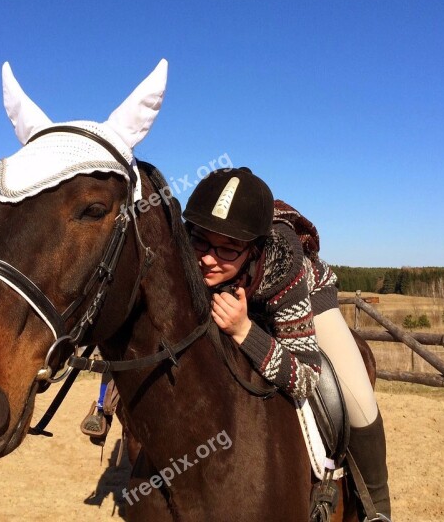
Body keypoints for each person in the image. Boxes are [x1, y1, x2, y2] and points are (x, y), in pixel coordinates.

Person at [81, 166, 391, 520]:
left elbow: (304, 377)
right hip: (234, 296)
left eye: (228, 249)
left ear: (254, 249)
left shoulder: (282, 262)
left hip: (303, 297)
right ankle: (103, 405)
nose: (209, 259)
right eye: (201, 241)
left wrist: (246, 331)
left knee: (358, 400)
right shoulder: (188, 249)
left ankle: (376, 510)